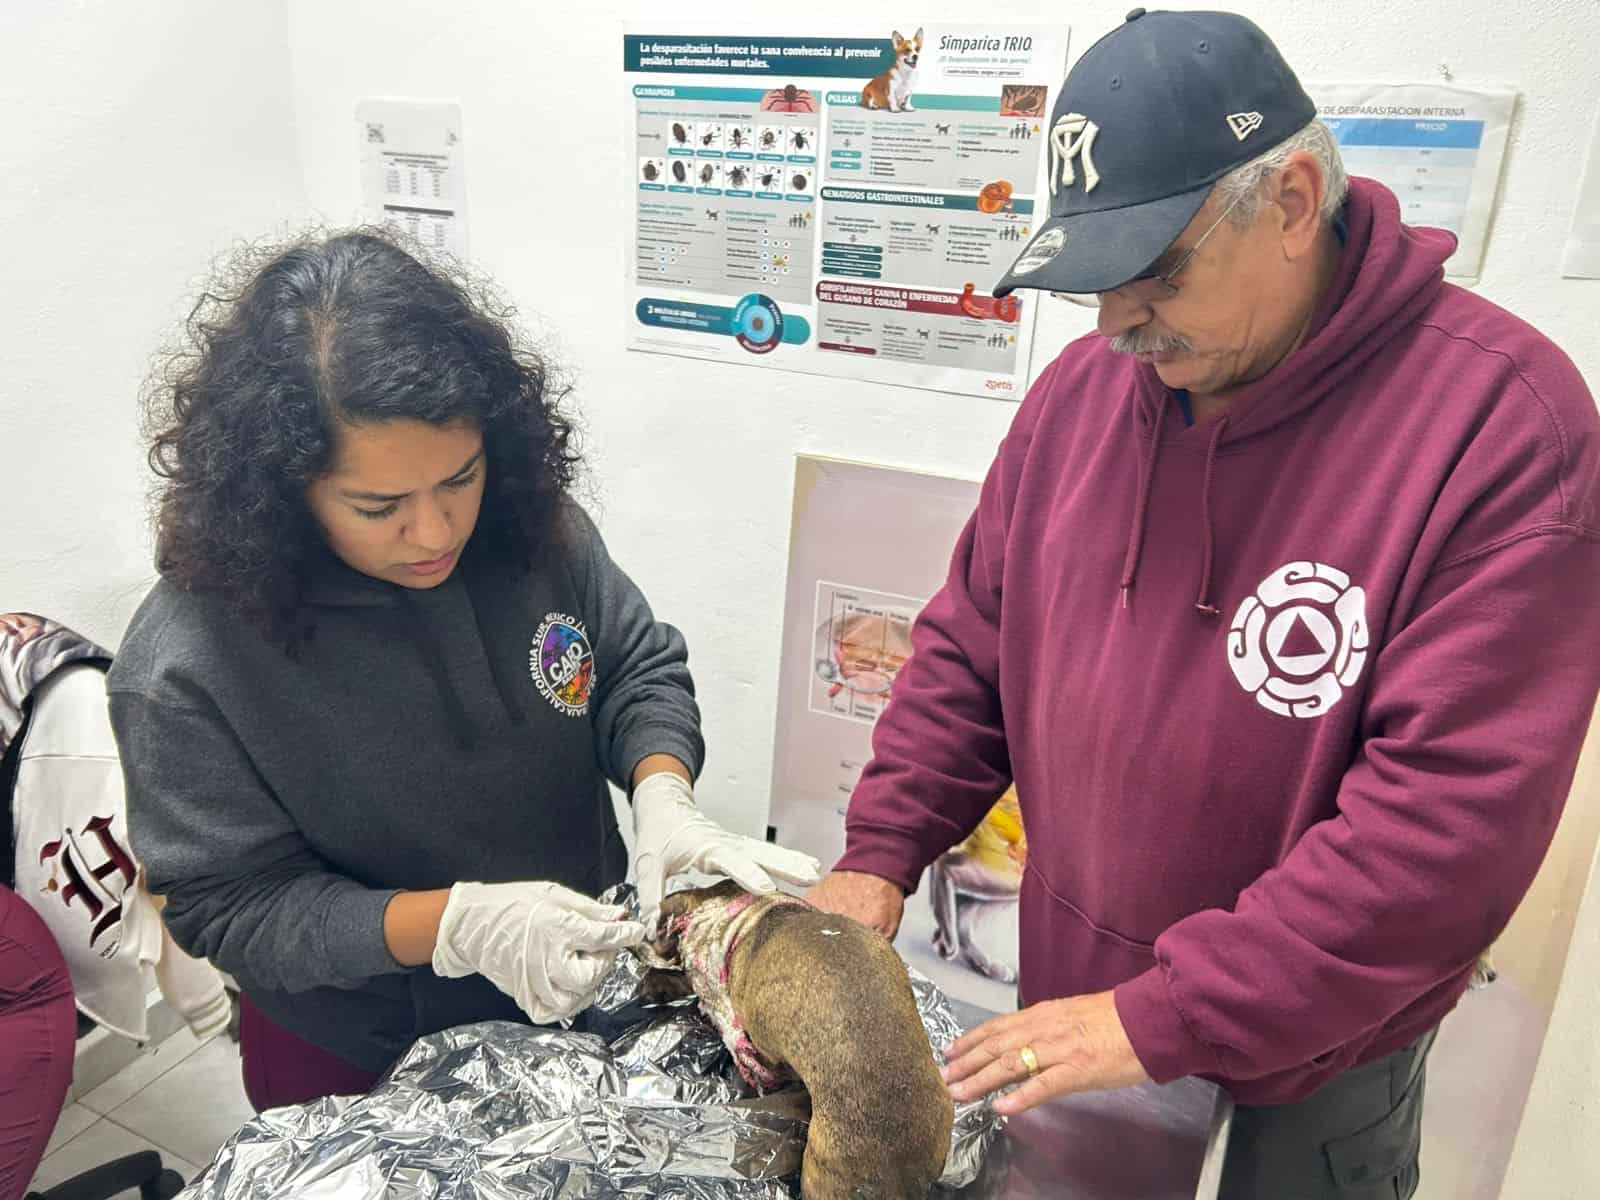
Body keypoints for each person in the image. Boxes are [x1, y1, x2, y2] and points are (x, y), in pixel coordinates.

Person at [807, 10, 1600, 1198]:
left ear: (1291, 202)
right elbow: (972, 651)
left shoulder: (1502, 428)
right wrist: (878, 854)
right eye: (1095, 281)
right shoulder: (1082, 396)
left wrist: (1167, 1015)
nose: (1114, 325)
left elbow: (1442, 835)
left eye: (1158, 274)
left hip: (1304, 1072)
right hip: (1080, 1012)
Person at [110, 230, 820, 1110]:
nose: (436, 531)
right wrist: (454, 925)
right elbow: (234, 906)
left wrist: (663, 791)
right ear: (280, 491)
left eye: (459, 478)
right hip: (366, 1053)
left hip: (584, 982)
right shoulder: (188, 664)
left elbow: (633, 666)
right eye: (380, 507)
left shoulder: (530, 531)